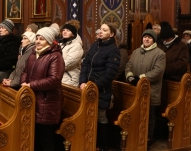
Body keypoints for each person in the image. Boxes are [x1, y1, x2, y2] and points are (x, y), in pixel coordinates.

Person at [20, 27, 65, 151]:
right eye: (37, 38)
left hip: (47, 101)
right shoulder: (33, 54)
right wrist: (24, 83)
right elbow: (25, 71)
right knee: (35, 138)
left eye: (42, 39)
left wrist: (31, 85)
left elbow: (54, 79)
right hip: (33, 99)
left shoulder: (55, 56)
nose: (38, 41)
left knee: (45, 138)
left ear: (50, 41)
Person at [79, 23, 120, 151]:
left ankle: (102, 145)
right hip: (87, 86)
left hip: (101, 89)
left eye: (104, 30)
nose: (100, 31)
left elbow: (109, 74)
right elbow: (85, 64)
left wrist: (94, 86)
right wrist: (82, 81)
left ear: (111, 34)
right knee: (88, 115)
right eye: (100, 29)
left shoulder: (113, 50)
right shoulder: (95, 45)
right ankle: (89, 143)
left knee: (100, 116)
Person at [125, 29, 165, 145]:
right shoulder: (136, 51)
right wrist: (131, 77)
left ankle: (148, 139)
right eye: (145, 37)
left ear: (154, 40)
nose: (146, 39)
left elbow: (157, 71)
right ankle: (137, 136)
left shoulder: (160, 54)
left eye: (149, 37)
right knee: (137, 114)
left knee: (149, 115)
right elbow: (129, 66)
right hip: (136, 89)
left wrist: (141, 78)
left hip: (151, 90)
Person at [59, 22, 83, 87]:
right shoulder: (61, 44)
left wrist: (53, 67)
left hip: (69, 78)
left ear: (73, 34)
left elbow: (68, 63)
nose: (64, 32)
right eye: (63, 30)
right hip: (60, 76)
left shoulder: (76, 46)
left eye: (68, 30)